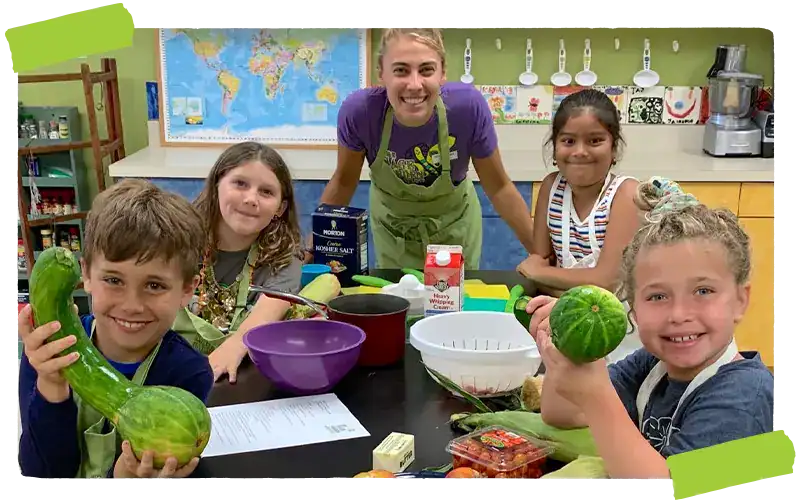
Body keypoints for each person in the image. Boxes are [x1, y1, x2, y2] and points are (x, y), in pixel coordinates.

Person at [529, 178, 776, 480]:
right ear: (632, 308)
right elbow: (562, 413)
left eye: (703, 291)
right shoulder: (653, 365)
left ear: (740, 301)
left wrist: (595, 393)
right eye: (658, 296)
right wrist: (569, 345)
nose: (679, 314)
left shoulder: (745, 397)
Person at [17, 179, 214, 480]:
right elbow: (40, 477)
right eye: (113, 280)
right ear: (86, 274)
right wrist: (52, 384)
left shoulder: (188, 372)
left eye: (154, 285)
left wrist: (123, 478)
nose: (132, 305)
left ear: (188, 289)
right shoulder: (46, 352)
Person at [307, 25, 535, 270]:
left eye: (426, 70)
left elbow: (499, 188)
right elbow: (343, 183)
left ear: (443, 72)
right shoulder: (361, 113)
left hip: (454, 229)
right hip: (393, 232)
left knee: (453, 295)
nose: (414, 84)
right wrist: (311, 248)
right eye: (401, 70)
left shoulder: (467, 109)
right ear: (381, 72)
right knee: (398, 293)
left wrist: (543, 255)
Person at [516, 88, 643, 361]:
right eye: (568, 141)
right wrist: (543, 274)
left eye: (595, 140)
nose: (580, 151)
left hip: (622, 334)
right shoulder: (551, 187)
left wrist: (542, 274)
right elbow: (540, 262)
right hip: (567, 321)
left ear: (614, 148)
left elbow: (607, 281)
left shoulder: (625, 194)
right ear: (555, 147)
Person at [173, 141, 304, 383]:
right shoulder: (178, 241)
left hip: (234, 378)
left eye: (266, 192)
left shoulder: (284, 257)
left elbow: (267, 313)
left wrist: (230, 350)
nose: (251, 199)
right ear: (216, 186)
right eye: (240, 184)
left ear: (280, 208)